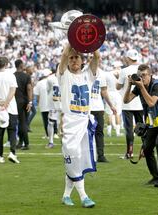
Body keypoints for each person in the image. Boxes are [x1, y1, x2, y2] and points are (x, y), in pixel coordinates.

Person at [57, 44, 100, 208]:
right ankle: (84, 196)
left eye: (77, 57)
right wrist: (72, 37)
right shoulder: (63, 75)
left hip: (84, 123)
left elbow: (96, 57)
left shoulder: (87, 75)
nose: (74, 60)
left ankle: (66, 195)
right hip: (70, 123)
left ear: (83, 61)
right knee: (72, 158)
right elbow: (63, 57)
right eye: (72, 57)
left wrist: (91, 43)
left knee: (79, 161)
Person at [124, 64, 158, 188]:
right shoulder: (139, 86)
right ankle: (156, 177)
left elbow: (151, 103)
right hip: (156, 122)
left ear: (150, 75)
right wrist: (129, 85)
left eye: (144, 75)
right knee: (147, 148)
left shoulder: (157, 85)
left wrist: (141, 87)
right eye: (139, 76)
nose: (141, 78)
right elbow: (126, 100)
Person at [0, 57, 20, 164]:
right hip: (10, 108)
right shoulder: (10, 75)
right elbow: (12, 91)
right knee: (12, 131)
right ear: (6, 64)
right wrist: (6, 104)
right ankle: (12, 152)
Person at [116, 50, 144, 159]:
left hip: (127, 103)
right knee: (142, 128)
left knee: (129, 129)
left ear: (128, 58)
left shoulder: (124, 71)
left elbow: (118, 86)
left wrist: (118, 79)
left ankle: (129, 152)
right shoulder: (142, 70)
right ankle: (144, 151)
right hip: (140, 103)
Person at [90, 69, 116, 162]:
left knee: (99, 132)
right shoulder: (82, 73)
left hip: (98, 107)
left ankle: (101, 155)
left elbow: (104, 92)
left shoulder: (101, 75)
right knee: (86, 133)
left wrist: (111, 105)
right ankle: (87, 156)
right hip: (86, 108)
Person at [14, 59, 32, 150]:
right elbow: (29, 89)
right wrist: (30, 102)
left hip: (15, 102)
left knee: (19, 123)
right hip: (24, 101)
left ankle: (21, 142)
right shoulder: (26, 76)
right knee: (23, 123)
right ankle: (26, 143)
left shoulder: (12, 76)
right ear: (21, 65)